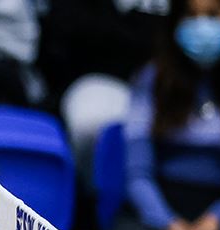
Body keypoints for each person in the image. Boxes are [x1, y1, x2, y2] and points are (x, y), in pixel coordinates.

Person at [104, 0, 220, 230]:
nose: (202, 26)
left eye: (213, 15)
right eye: (191, 15)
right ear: (175, 22)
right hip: (153, 210)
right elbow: (137, 174)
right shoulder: (150, 79)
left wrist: (218, 219)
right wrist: (167, 222)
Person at [37, 0, 169, 165]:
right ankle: (95, 189)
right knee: (92, 120)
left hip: (171, 82)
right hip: (97, 79)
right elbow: (60, 46)